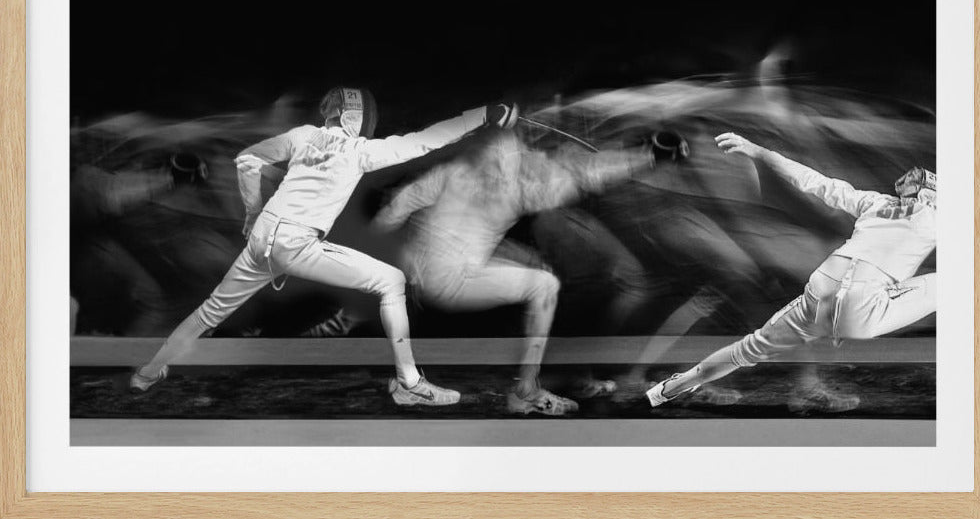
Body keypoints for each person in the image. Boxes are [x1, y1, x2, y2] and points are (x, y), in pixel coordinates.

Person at [130, 87, 518, 407]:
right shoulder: (360, 152)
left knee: (210, 310)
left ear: (331, 113)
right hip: (297, 244)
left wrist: (252, 214)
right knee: (392, 281)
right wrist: (483, 114)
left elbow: (246, 160)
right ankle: (408, 384)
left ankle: (148, 373)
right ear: (362, 117)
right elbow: (426, 141)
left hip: (264, 238)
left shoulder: (301, 135)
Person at [373, 127, 653, 415]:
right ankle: (525, 391)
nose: (497, 169)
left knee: (534, 266)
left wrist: (399, 260)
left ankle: (559, 373)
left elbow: (394, 211)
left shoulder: (451, 174)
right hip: (450, 282)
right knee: (544, 285)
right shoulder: (510, 190)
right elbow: (587, 174)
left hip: (432, 275)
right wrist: (646, 157)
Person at [646, 132, 937, 407]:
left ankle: (666, 390)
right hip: (861, 307)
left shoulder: (874, 202)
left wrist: (759, 152)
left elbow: (812, 180)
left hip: (820, 291)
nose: (908, 179)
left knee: (748, 349)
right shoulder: (937, 217)